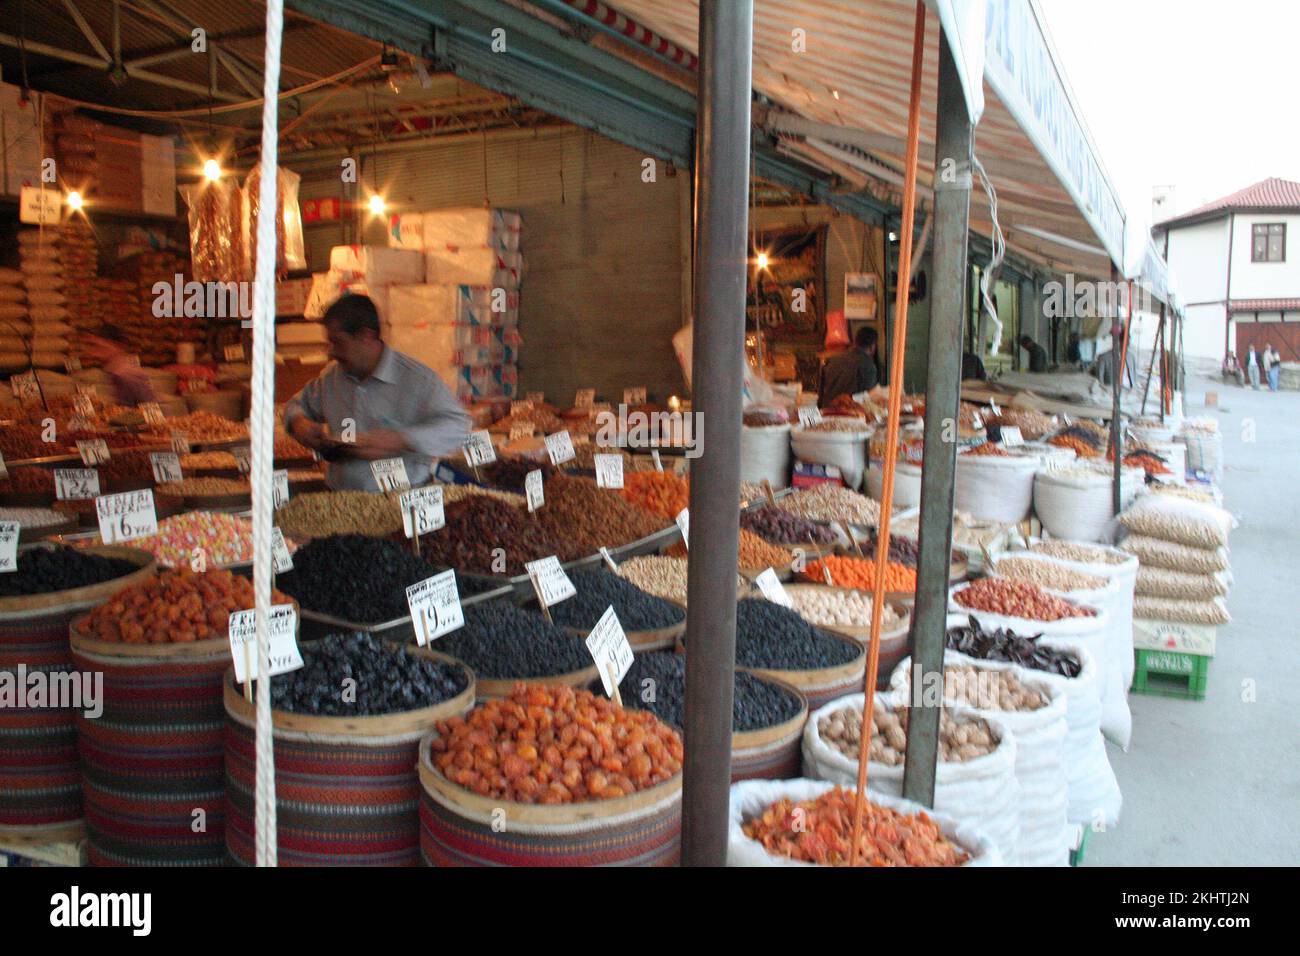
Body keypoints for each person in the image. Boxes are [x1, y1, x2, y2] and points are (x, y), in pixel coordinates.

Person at [284, 294, 472, 491]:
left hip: (401, 498)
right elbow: (296, 406)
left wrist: (401, 439)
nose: (330, 352)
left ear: (366, 336)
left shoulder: (418, 380)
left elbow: (457, 426)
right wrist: (299, 423)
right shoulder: (331, 378)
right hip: (339, 498)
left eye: (338, 342)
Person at [81, 333, 156, 406]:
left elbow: (149, 407)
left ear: (116, 347)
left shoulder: (128, 376)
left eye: (100, 347)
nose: (93, 352)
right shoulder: (112, 373)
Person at [818, 325, 879, 404]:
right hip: (850, 412)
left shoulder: (832, 360)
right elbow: (867, 399)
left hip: (827, 410)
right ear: (873, 346)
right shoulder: (868, 366)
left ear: (855, 342)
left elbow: (820, 395)